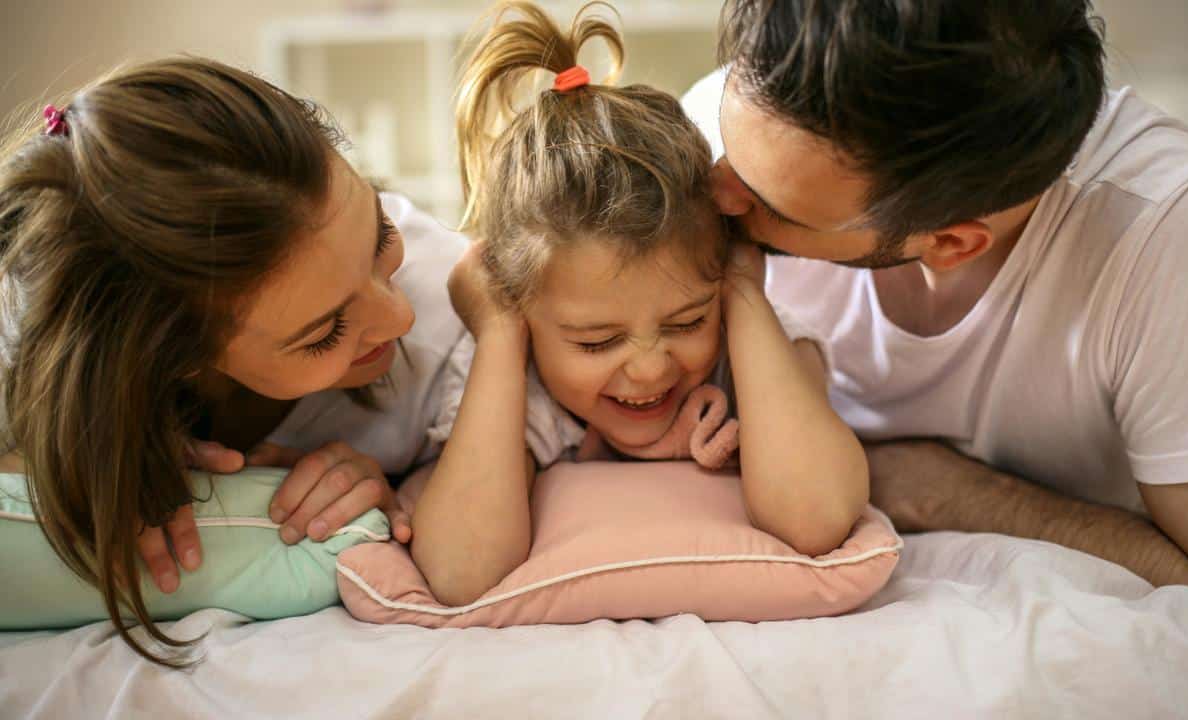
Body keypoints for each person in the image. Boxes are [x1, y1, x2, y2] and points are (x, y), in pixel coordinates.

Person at [681, 0, 1188, 600]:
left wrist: (938, 488)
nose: (713, 195)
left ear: (950, 243)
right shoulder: (745, 119)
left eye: (771, 207)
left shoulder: (1172, 240)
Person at [0, 57, 469, 662]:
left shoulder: (451, 310)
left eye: (380, 236)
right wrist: (103, 457)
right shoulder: (39, 340)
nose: (398, 317)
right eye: (324, 331)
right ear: (175, 359)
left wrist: (401, 494)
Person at [410, 1, 869, 607]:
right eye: (597, 341)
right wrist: (496, 331)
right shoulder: (517, 382)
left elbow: (818, 519)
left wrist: (742, 291)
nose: (651, 368)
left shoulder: (758, 346)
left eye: (687, 322)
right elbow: (460, 573)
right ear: (522, 311)